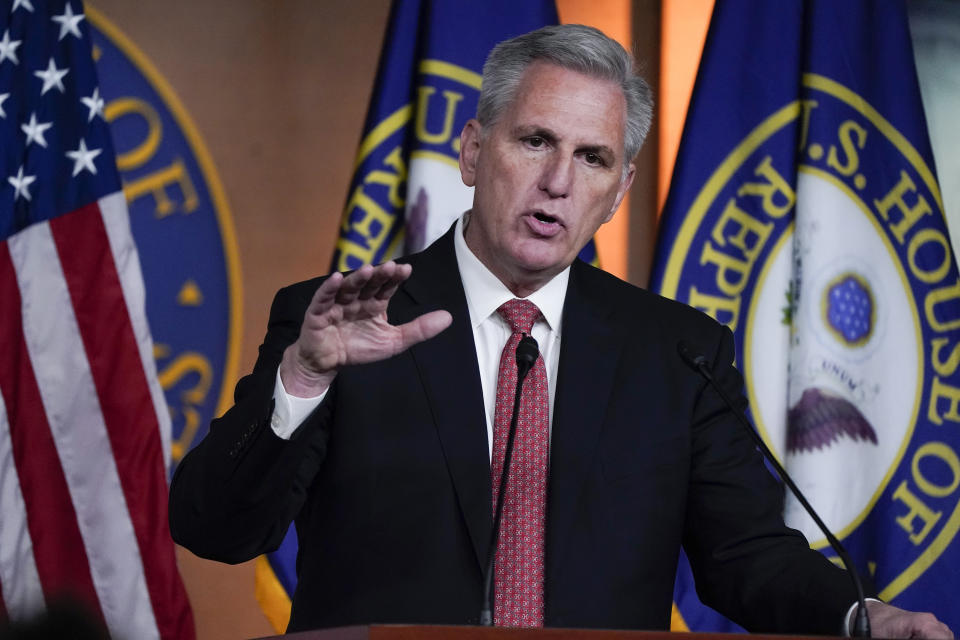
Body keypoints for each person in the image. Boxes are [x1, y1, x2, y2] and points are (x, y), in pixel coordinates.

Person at [169, 24, 952, 638]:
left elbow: (744, 556)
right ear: (475, 151)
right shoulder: (343, 322)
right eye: (535, 140)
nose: (557, 183)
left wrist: (858, 616)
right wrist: (303, 379)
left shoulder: (676, 354)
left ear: (619, 191)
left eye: (593, 158)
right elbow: (216, 529)